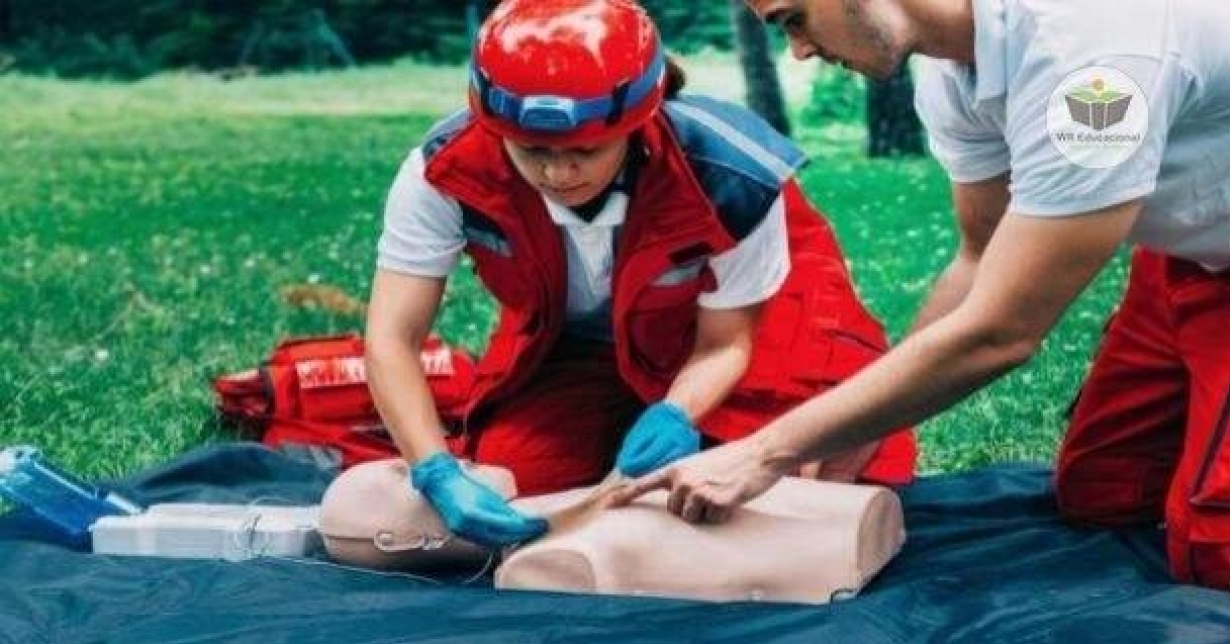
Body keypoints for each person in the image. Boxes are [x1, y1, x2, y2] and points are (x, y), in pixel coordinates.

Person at [614, 0, 1230, 590]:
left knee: (1214, 553)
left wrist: (763, 453)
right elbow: (979, 259)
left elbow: (1001, 333)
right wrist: (858, 430)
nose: (799, 51)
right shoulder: (953, 71)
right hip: (1177, 260)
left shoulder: (1094, 60)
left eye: (794, 19)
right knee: (1104, 494)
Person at [365, 0, 917, 550]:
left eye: (585, 150)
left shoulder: (731, 175)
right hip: (579, 344)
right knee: (519, 475)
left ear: (637, 121)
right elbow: (392, 339)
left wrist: (676, 413)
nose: (557, 172)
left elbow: (726, 344)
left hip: (759, 326)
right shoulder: (443, 173)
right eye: (531, 150)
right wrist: (433, 468)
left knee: (788, 481)